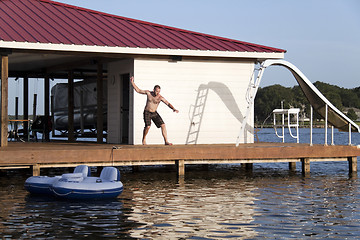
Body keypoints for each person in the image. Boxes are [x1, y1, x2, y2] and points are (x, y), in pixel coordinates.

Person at [130, 76, 179, 145]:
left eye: (159, 91)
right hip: (147, 112)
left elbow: (167, 103)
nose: (157, 93)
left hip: (154, 113)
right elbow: (138, 90)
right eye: (156, 91)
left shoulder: (160, 97)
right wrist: (132, 82)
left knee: (163, 125)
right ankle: (144, 139)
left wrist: (173, 108)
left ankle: (166, 141)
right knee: (148, 126)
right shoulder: (148, 93)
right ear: (153, 90)